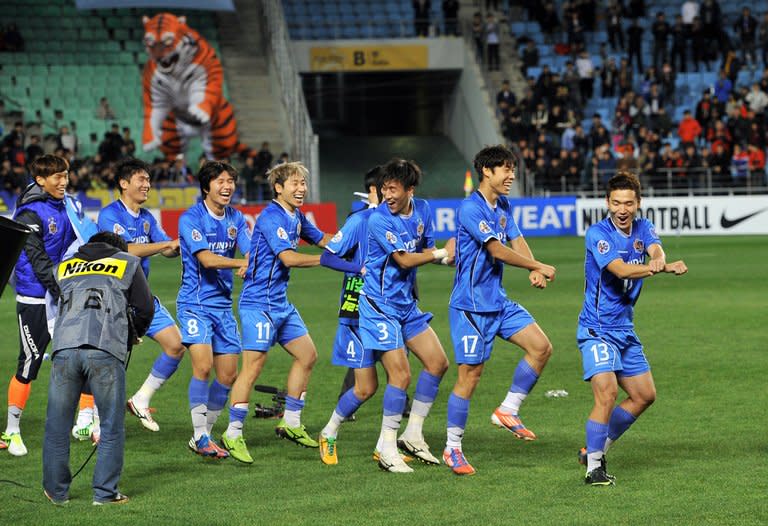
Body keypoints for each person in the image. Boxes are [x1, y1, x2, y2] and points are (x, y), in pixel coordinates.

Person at [442, 145, 556, 476]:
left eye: (512, 169)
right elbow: (497, 249)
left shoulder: (502, 204)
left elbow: (515, 239)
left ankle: (508, 410)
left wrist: (532, 267)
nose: (511, 175)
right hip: (470, 307)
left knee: (541, 347)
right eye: (505, 169)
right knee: (470, 375)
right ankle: (452, 448)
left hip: (498, 300)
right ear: (486, 172)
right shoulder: (469, 210)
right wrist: (538, 265)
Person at [578, 172, 687, 486]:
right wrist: (663, 268)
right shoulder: (598, 233)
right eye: (616, 202)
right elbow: (620, 269)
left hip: (624, 329)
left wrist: (658, 257)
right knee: (608, 393)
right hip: (596, 329)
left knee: (644, 395)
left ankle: (596, 449)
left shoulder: (644, 227)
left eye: (628, 203)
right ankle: (594, 469)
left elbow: (655, 248)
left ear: (638, 203)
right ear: (607, 203)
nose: (622, 209)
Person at [220, 162, 331, 463]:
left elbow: (323, 238)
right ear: (278, 188)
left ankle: (291, 423)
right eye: (294, 183)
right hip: (258, 304)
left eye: (303, 184)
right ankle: (232, 432)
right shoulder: (271, 217)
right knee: (253, 367)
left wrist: (354, 241)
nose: (301, 189)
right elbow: (289, 258)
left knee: (307, 355)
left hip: (280, 303)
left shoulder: (296, 216)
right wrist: (326, 260)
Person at [42, 232, 154, 505]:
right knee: (111, 425)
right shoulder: (127, 262)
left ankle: (57, 493)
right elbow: (145, 307)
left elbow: (53, 305)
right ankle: (104, 494)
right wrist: (132, 335)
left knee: (57, 425)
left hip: (64, 349)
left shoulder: (63, 266)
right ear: (118, 249)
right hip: (104, 348)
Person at [359, 158, 454, 473]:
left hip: (405, 304)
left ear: (410, 189)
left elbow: (426, 251)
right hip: (378, 305)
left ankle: (412, 433)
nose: (387, 195)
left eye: (393, 189)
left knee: (438, 363)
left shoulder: (423, 209)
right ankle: (386, 446)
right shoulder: (379, 220)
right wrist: (440, 253)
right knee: (400, 375)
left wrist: (447, 259)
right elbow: (404, 260)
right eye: (384, 188)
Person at [96, 158, 184, 433]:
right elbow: (125, 251)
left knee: (176, 345)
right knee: (111, 363)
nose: (147, 185)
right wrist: (164, 244)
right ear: (124, 184)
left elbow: (166, 249)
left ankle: (141, 399)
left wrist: (179, 246)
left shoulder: (147, 219)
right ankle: (97, 422)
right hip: (114, 300)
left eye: (148, 180)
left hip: (142, 298)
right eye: (141, 180)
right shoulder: (109, 215)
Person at [2, 155, 76, 456]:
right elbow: (39, 260)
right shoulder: (29, 213)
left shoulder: (66, 206)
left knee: (76, 355)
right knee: (30, 361)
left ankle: (85, 420)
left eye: (66, 175)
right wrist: (62, 290)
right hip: (34, 297)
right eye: (57, 177)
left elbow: (76, 245)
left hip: (60, 293)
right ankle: (11, 430)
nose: (63, 181)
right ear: (41, 180)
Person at [177, 161, 250, 458]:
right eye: (221, 180)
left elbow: (250, 251)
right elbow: (207, 259)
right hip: (194, 304)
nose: (227, 186)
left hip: (222, 306)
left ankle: (203, 434)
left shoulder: (237, 218)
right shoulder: (190, 218)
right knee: (203, 366)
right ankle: (200, 435)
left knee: (229, 374)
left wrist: (254, 260)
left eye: (231, 180)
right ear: (206, 186)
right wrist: (240, 264)